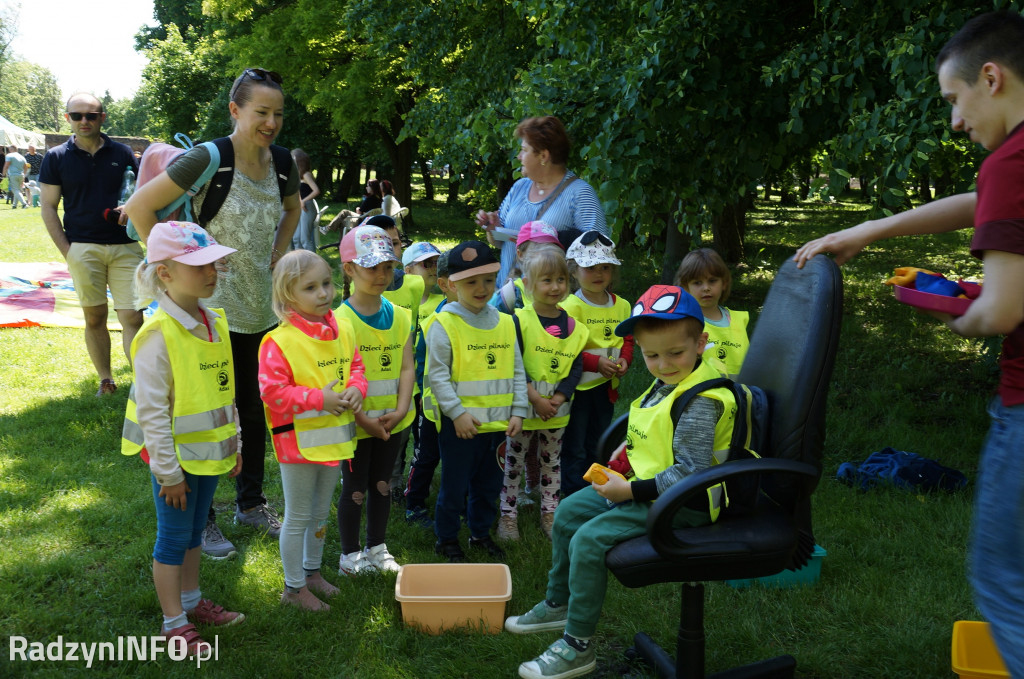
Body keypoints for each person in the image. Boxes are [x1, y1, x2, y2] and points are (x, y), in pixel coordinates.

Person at [794, 12, 1024, 675]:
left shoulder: (1011, 160)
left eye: (954, 101)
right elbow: (977, 200)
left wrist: (955, 312)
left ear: (991, 77)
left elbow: (1003, 308)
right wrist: (872, 228)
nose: (954, 121)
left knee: (1003, 578)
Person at [505, 285, 737, 679]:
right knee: (567, 512)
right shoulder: (668, 382)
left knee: (588, 539)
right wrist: (625, 459)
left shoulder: (701, 399)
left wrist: (628, 490)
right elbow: (654, 433)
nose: (663, 365)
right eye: (651, 355)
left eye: (675, 353)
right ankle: (558, 603)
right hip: (648, 488)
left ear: (701, 342)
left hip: (685, 505)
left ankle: (578, 645)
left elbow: (691, 473)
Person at [125, 68, 301, 558]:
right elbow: (140, 207)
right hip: (207, 309)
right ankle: (201, 520)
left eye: (278, 114)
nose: (271, 122)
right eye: (261, 112)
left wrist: (279, 254)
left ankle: (250, 503)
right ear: (235, 110)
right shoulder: (208, 157)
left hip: (260, 306)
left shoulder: (283, 162)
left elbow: (293, 209)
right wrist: (168, 264)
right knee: (197, 409)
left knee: (253, 406)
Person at [119, 221, 244, 654]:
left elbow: (225, 391)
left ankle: (192, 602)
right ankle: (173, 623)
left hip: (210, 453)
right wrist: (168, 473)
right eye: (198, 265)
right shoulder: (156, 336)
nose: (211, 272)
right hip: (172, 462)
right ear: (165, 273)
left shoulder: (216, 321)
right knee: (173, 537)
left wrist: (236, 444)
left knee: (194, 532)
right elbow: (153, 414)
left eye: (213, 263)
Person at [260, 250, 367, 610]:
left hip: (333, 440)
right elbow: (272, 393)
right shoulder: (280, 341)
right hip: (298, 444)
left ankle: (312, 573)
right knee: (299, 516)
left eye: (326, 283)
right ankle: (293, 590)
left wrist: (357, 388)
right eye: (310, 288)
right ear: (288, 295)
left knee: (320, 512)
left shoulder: (344, 328)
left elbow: (356, 367)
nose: (323, 293)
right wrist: (317, 399)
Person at [424, 240, 528, 562]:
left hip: (497, 427)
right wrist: (457, 414)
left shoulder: (507, 322)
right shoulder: (444, 324)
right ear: (447, 285)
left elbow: (517, 370)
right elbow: (437, 377)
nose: (482, 288)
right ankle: (447, 540)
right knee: (454, 488)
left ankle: (480, 534)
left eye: (488, 279)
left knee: (487, 487)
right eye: (470, 281)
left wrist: (519, 411)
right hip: (460, 427)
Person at [39, 93, 143, 397]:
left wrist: (130, 210)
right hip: (82, 246)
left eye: (91, 115)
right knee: (95, 317)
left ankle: (144, 383)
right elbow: (48, 207)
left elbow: (138, 194)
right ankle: (106, 380)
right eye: (77, 116)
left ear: (102, 118)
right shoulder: (56, 157)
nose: (84, 121)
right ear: (68, 118)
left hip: (125, 246)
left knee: (132, 317)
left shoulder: (123, 153)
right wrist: (68, 251)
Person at [335, 225, 416, 575]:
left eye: (388, 266)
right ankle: (350, 555)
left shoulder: (401, 315)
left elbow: (407, 367)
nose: (382, 275)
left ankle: (378, 548)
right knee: (355, 487)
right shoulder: (338, 320)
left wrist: (400, 410)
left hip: (393, 420)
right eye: (372, 267)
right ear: (349, 269)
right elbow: (337, 379)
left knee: (382, 484)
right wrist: (363, 419)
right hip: (356, 424)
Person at [499, 247, 587, 541]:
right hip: (523, 410)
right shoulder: (518, 321)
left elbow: (575, 366)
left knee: (552, 462)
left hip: (556, 412)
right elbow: (514, 364)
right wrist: (534, 398)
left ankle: (550, 513)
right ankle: (507, 516)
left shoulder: (575, 327)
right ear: (528, 284)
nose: (555, 287)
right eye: (546, 280)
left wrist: (559, 398)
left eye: (561, 279)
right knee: (514, 463)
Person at [475, 116, 609, 286]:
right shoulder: (519, 187)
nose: (518, 156)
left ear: (543, 156)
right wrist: (493, 228)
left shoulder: (579, 194)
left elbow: (599, 254)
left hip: (552, 305)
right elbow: (503, 242)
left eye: (524, 150)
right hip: (508, 301)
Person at [559, 232, 633, 497]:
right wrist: (595, 362)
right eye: (589, 267)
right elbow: (565, 351)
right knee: (575, 444)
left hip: (606, 387)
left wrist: (624, 359)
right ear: (574, 271)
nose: (598, 273)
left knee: (600, 440)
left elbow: (628, 339)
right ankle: (571, 492)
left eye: (605, 267)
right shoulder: (570, 306)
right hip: (578, 390)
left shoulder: (623, 306)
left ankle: (595, 490)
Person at [405, 250, 453, 529]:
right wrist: (423, 393)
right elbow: (422, 358)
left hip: (464, 402)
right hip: (432, 401)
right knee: (426, 454)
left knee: (456, 456)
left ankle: (456, 501)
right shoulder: (435, 318)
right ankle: (414, 503)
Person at [674, 247, 749, 379]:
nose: (706, 288)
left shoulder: (739, 320)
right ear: (685, 287)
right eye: (697, 283)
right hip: (701, 395)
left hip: (739, 395)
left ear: (724, 283)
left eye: (712, 281)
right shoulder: (682, 322)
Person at [290, 148, 321, 252]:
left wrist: (303, 201)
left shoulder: (306, 174)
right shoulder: (297, 175)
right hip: (300, 207)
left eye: (293, 158)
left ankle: (313, 263)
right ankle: (299, 262)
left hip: (307, 207)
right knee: (296, 239)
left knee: (305, 240)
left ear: (299, 160)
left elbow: (316, 191)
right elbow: (298, 192)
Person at [3, 145, 28, 209]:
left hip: (13, 175)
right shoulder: (22, 157)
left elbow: (6, 165)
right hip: (21, 175)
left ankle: (24, 204)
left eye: (9, 149)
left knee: (15, 190)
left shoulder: (9, 155)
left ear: (11, 149)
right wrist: (24, 175)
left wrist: (3, 174)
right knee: (18, 190)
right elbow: (26, 167)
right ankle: (14, 205)